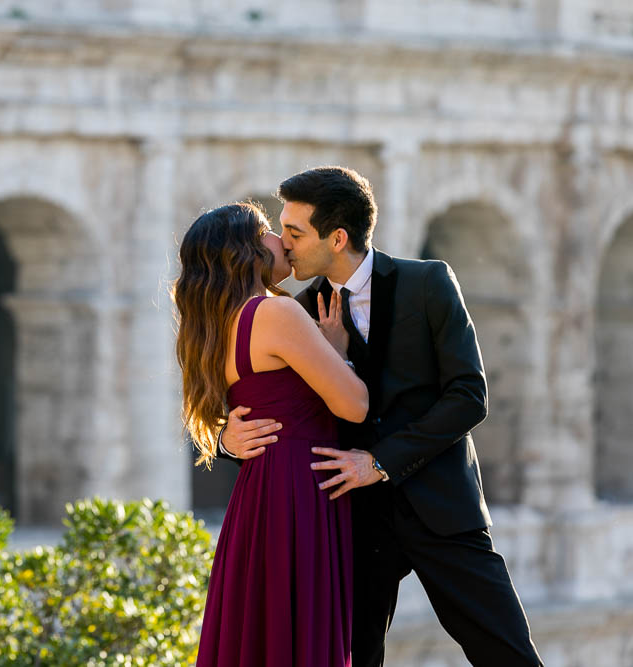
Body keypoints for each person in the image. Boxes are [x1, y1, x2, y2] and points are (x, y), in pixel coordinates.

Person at [219, 166, 544, 666]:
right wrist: (228, 438)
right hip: (350, 520)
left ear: (338, 237)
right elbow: (273, 412)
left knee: (506, 653)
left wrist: (379, 461)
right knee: (353, 658)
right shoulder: (295, 313)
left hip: (441, 506)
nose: (283, 244)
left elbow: (468, 395)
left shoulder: (428, 282)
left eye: (295, 232)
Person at [173, 202, 368, 666]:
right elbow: (354, 406)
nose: (283, 241)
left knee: (261, 629)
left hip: (258, 491)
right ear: (246, 250)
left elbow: (238, 411)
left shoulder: (214, 327)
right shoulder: (275, 314)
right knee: (300, 631)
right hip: (303, 487)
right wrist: (336, 351)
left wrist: (223, 440)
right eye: (268, 232)